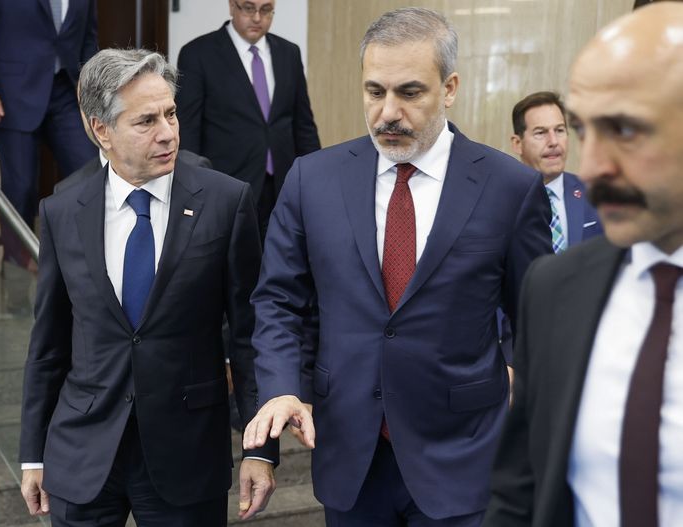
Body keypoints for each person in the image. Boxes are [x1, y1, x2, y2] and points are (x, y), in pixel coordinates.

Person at [243, 7, 552, 526]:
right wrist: (280, 387)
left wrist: (518, 379)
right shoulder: (311, 181)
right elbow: (277, 301)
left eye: (409, 92)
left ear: (449, 87)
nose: (388, 112)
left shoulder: (509, 188)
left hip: (464, 454)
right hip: (349, 452)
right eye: (374, 91)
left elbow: (539, 315)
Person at [18, 48, 276, 526]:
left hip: (187, 452)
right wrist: (32, 453)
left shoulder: (226, 202)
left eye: (171, 113)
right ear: (101, 130)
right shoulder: (62, 211)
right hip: (82, 453)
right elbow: (48, 344)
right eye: (145, 121)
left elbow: (249, 337)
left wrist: (261, 451)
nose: (168, 132)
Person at [484, 3, 683, 526]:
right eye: (585, 130)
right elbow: (519, 493)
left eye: (625, 129)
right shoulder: (555, 290)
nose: (592, 166)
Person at [176, 0, 321, 239]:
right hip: (226, 185)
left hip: (281, 186)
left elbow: (303, 124)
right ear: (232, 6)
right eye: (248, 8)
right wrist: (191, 188)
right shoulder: (198, 53)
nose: (257, 18)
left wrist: (316, 178)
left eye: (265, 10)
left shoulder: (289, 53)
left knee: (281, 264)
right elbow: (189, 128)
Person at [0, 0, 97, 237]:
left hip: (67, 92)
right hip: (12, 94)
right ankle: (16, 265)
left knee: (91, 175)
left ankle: (81, 257)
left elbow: (88, 36)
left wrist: (91, 86)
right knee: (21, 189)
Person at [511, 91, 602, 252]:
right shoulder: (502, 201)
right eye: (540, 133)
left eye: (559, 130)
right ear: (518, 143)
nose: (553, 142)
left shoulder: (596, 193)